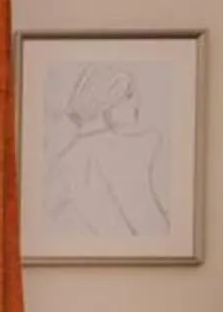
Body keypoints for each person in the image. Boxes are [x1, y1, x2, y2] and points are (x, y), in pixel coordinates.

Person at [37, 64, 166, 238]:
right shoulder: (145, 144)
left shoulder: (149, 142)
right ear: (107, 101)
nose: (137, 102)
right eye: (129, 95)